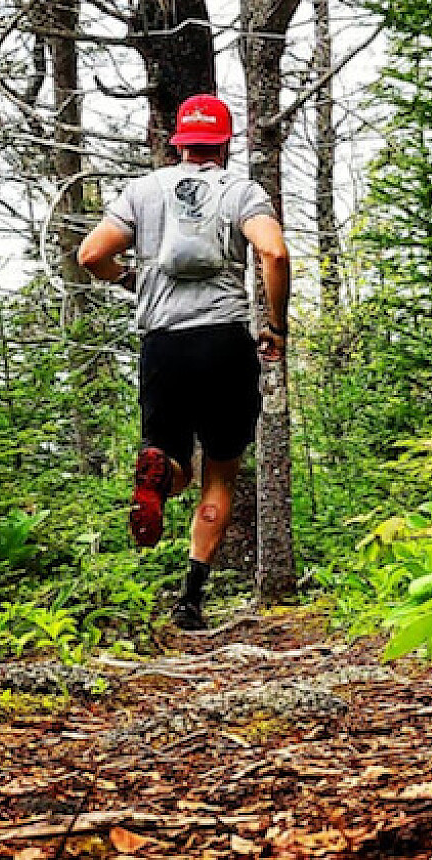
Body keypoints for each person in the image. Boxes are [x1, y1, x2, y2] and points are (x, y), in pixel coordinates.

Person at [77, 94, 290, 631]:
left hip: (164, 345)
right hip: (224, 344)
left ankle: (160, 466)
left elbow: (90, 254)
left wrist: (129, 279)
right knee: (219, 474)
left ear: (179, 142)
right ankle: (189, 601)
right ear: (224, 143)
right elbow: (274, 253)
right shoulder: (241, 191)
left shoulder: (143, 191)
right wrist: (275, 325)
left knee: (172, 464)